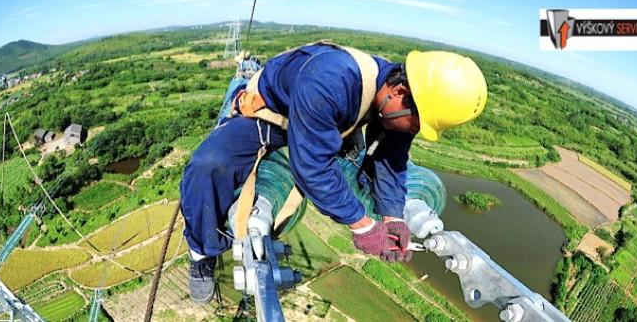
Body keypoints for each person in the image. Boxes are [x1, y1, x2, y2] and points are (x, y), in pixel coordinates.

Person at [180, 41, 488, 303]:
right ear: (400, 92)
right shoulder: (332, 81)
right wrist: (363, 227)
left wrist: (393, 217)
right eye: (418, 123)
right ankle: (200, 252)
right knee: (208, 166)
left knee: (362, 174)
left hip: (325, 124)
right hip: (273, 115)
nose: (417, 130)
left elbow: (390, 161)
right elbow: (310, 167)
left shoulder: (402, 103)